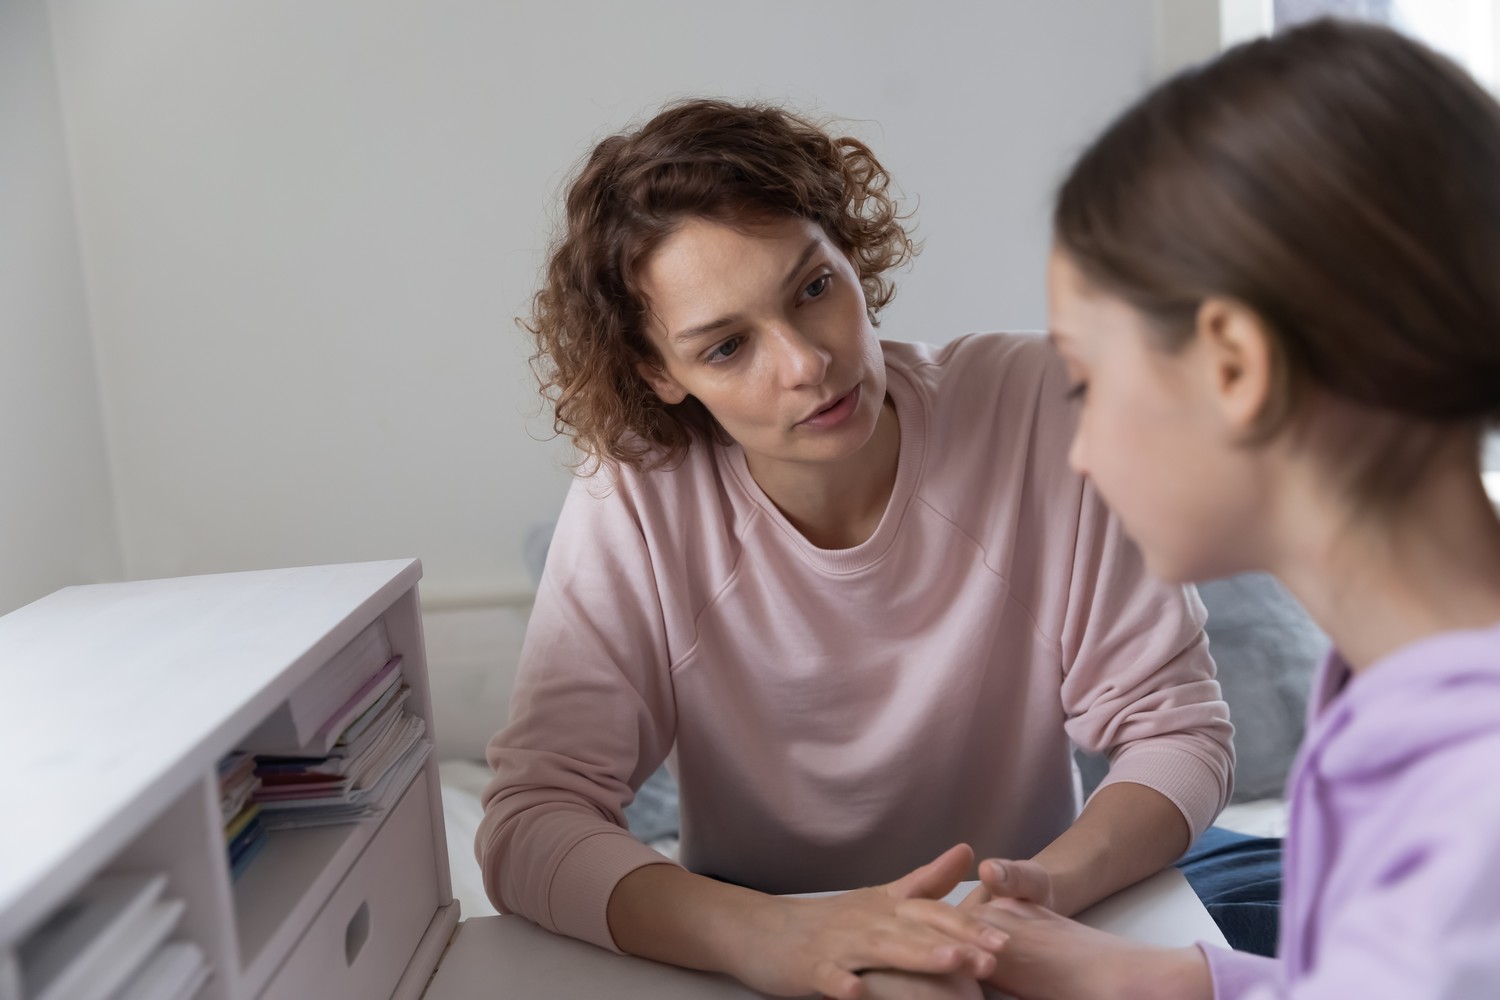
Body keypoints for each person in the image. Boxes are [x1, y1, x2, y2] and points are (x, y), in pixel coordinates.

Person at [476, 97, 1241, 999]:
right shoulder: (635, 491)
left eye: (811, 288)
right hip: (761, 945)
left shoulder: (1038, 403)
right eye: (726, 347)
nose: (803, 362)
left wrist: (1039, 894)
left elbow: (1177, 728)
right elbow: (531, 817)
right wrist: (766, 937)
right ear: (659, 374)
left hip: (1039, 924)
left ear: (849, 251)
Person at [948, 17, 1500, 1000]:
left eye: (1084, 382)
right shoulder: (1397, 687)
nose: (1079, 448)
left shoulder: (1472, 807)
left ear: (1235, 366)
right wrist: (1155, 979)